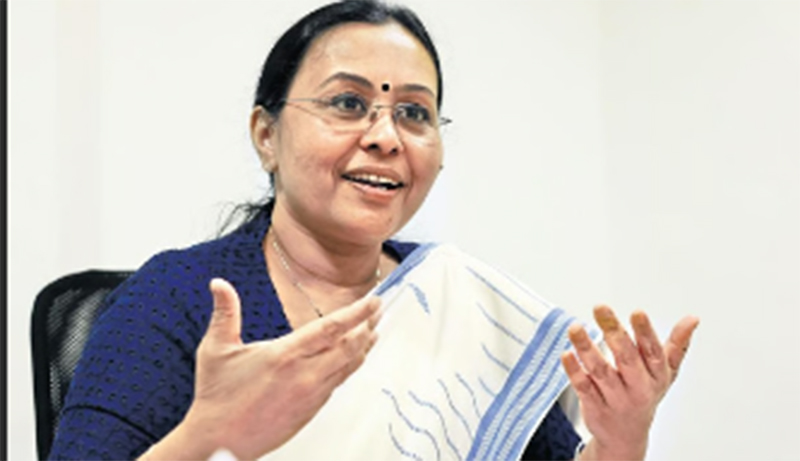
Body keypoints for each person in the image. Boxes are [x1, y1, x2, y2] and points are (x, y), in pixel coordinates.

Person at [48, 1, 699, 460]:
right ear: (267, 135)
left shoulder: (462, 306)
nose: (386, 136)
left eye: (414, 113)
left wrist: (619, 442)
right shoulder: (179, 297)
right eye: (348, 103)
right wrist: (209, 436)